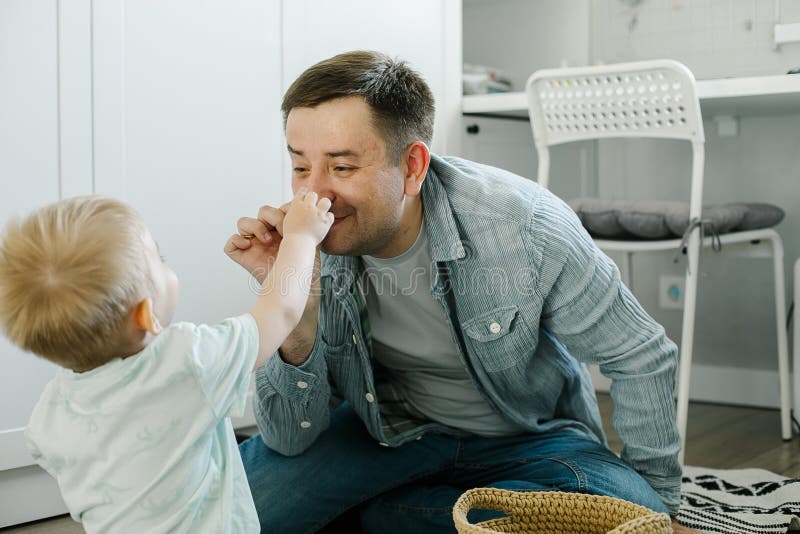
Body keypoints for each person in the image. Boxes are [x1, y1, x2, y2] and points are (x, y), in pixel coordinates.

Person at [230, 50, 696, 533]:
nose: (317, 195)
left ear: (412, 167)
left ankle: (386, 515)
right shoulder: (301, 247)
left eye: (343, 168)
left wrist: (659, 512)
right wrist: (290, 310)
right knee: (237, 516)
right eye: (301, 168)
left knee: (625, 510)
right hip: (384, 432)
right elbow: (288, 439)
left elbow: (640, 353)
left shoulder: (525, 226)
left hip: (525, 440)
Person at [0, 191, 332, 533]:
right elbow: (281, 309)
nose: (165, 263)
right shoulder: (186, 362)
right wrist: (301, 237)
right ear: (146, 316)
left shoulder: (47, 416)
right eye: (159, 259)